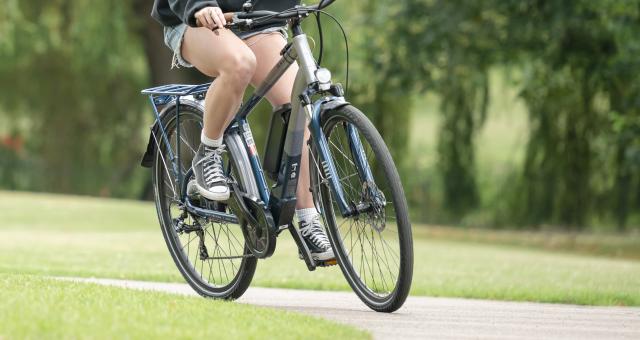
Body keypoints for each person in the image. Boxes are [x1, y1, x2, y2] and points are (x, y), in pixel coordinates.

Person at [151, 0, 334, 261]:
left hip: (257, 18)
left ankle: (308, 219)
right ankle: (208, 153)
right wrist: (199, 6)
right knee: (239, 64)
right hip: (196, 17)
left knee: (300, 100)